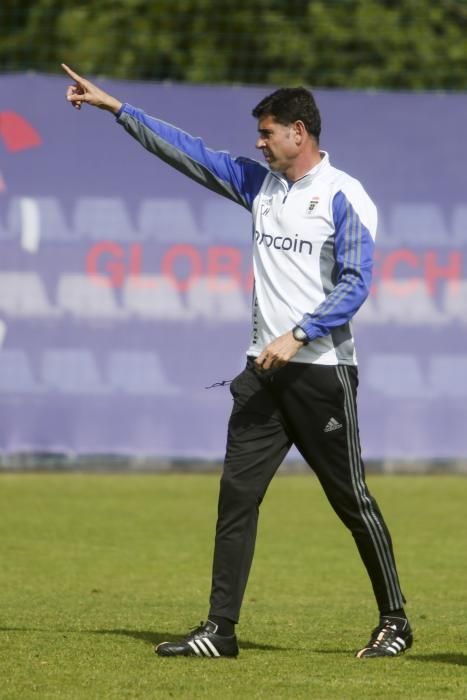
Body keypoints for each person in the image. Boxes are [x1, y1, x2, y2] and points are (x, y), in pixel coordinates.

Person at [62, 63, 412, 659]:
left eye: (268, 132)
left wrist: (298, 334)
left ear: (299, 132)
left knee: (350, 497)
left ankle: (396, 623)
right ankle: (220, 631)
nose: (258, 142)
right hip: (261, 374)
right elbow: (189, 153)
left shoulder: (343, 196)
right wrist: (117, 109)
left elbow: (356, 283)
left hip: (322, 372)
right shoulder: (260, 185)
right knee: (236, 497)